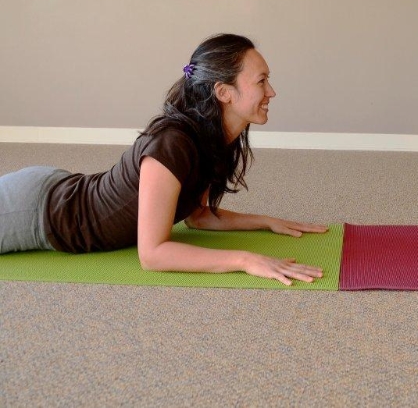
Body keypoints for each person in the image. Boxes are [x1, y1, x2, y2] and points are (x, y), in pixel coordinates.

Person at [0, 34, 326, 285]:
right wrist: (246, 260)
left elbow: (198, 217)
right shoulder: (171, 145)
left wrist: (265, 221)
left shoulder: (214, 137)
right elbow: (153, 254)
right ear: (224, 92)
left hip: (57, 191)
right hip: (36, 212)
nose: (272, 92)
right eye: (261, 81)